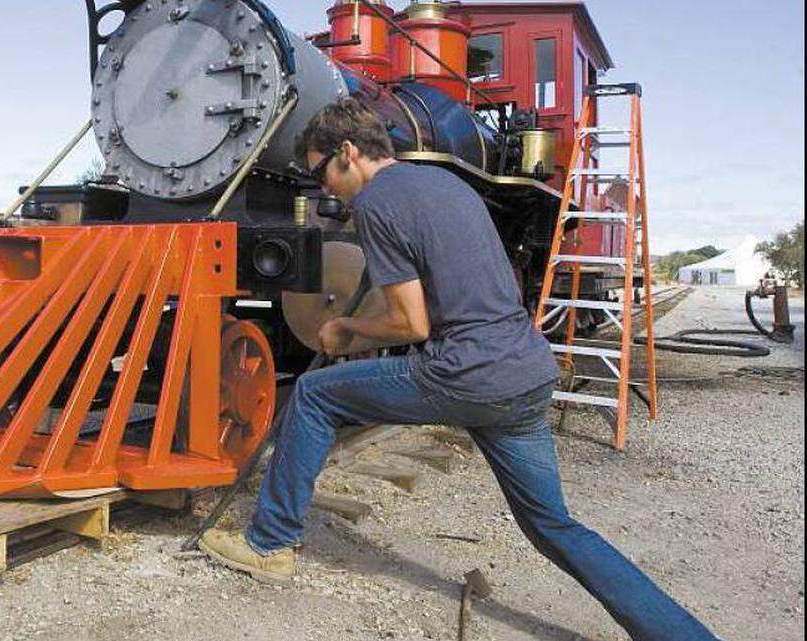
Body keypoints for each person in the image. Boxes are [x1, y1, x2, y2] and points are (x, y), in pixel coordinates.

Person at [198, 99, 718, 641]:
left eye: (320, 171)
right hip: (526, 371)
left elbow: (412, 323)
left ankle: (269, 543)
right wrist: (359, 324)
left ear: (348, 153)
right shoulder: (446, 185)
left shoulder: (376, 203)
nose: (324, 187)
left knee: (313, 393)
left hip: (464, 373)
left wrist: (348, 331)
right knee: (553, 526)